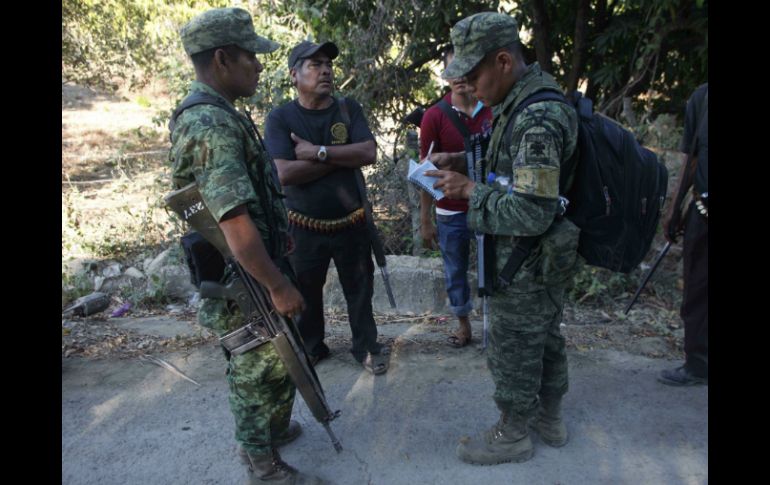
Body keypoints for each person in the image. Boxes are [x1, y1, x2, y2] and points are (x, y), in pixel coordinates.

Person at [169, 8, 324, 484]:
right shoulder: (210, 126)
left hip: (255, 262)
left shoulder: (222, 115)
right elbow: (233, 219)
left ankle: (272, 432)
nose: (258, 66)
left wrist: (278, 235)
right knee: (259, 365)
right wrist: (276, 284)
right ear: (221, 59)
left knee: (279, 359)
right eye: (250, 57)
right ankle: (262, 462)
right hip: (245, 275)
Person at [427, 12, 580, 465]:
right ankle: (549, 420)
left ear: (504, 61)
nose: (469, 87)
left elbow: (533, 212)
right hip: (538, 259)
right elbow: (513, 175)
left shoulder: (536, 117)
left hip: (526, 260)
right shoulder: (522, 101)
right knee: (547, 338)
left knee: (514, 344)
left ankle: (513, 433)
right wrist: (463, 161)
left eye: (474, 76)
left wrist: (471, 191)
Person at [264, 41, 389, 375]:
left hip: (352, 222)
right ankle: (311, 346)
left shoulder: (348, 109)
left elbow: (369, 154)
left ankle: (366, 347)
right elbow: (285, 174)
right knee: (305, 292)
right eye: (314, 64)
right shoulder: (281, 118)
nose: (326, 70)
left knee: (360, 291)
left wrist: (319, 152)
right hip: (303, 226)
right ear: (294, 74)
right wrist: (341, 157)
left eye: (328, 65)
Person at [418, 46, 493, 348]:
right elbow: (426, 171)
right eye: (454, 70)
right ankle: (463, 325)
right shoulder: (434, 116)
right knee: (455, 269)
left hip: (489, 203)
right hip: (450, 209)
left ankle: (497, 324)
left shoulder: (492, 110)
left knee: (497, 265)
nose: (461, 76)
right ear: (445, 75)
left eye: (467, 68)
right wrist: (425, 219)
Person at [659, 83, 708, 386]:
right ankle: (699, 364)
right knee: (697, 290)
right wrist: (675, 208)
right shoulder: (701, 97)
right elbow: (690, 158)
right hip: (703, 213)